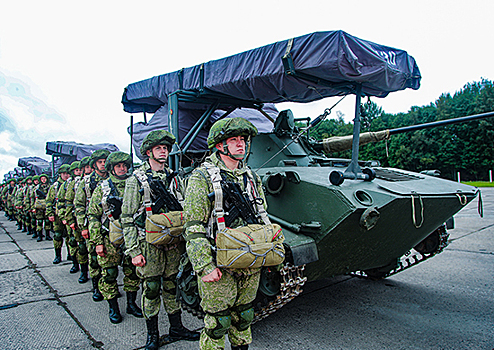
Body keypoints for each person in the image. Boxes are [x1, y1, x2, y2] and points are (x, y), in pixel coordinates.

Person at [183, 117, 267, 350]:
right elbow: (193, 226)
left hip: (250, 258)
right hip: (218, 260)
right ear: (220, 146)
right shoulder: (201, 178)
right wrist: (204, 266)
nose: (241, 144)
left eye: (243, 140)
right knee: (218, 323)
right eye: (234, 140)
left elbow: (262, 215)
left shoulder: (251, 177)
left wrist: (270, 251)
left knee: (244, 317)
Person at [121, 130, 199, 350]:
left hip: (173, 243)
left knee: (172, 286)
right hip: (149, 244)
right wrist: (134, 251)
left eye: (165, 148)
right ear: (148, 152)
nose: (163, 152)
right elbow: (127, 218)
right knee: (152, 287)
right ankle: (152, 334)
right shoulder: (135, 180)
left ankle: (176, 328)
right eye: (159, 149)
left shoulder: (174, 177)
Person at [88, 151, 142, 323]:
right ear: (111, 168)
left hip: (130, 237)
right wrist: (97, 242)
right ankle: (113, 308)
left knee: (132, 272)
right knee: (110, 273)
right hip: (108, 237)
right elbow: (93, 216)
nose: (122, 168)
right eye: (118, 166)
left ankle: (131, 304)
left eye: (125, 165)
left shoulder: (134, 185)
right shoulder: (102, 188)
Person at [75, 149, 110, 301]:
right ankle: (96, 287)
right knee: (94, 257)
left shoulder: (113, 178)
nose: (103, 165)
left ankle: (109, 286)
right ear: (94, 164)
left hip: (111, 224)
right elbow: (79, 205)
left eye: (104, 162)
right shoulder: (87, 182)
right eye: (100, 162)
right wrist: (83, 227)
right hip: (93, 224)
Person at [65, 156, 91, 283]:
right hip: (79, 220)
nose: (89, 169)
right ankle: (83, 271)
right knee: (81, 247)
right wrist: (70, 220)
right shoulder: (75, 184)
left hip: (97, 221)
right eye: (87, 167)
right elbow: (69, 202)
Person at [46, 164, 71, 264]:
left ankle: (71, 254)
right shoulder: (55, 187)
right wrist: (50, 213)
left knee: (70, 236)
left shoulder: (72, 184)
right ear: (60, 174)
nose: (66, 176)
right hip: (57, 216)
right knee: (57, 235)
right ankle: (58, 255)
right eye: (64, 174)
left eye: (67, 173)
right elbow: (49, 201)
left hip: (68, 214)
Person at [33, 174, 53, 241]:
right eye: (42, 179)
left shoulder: (50, 187)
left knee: (47, 222)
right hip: (39, 206)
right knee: (39, 222)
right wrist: (33, 207)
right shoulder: (37, 188)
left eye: (45, 179)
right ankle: (39, 235)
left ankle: (47, 235)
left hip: (47, 206)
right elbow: (33, 198)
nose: (43, 180)